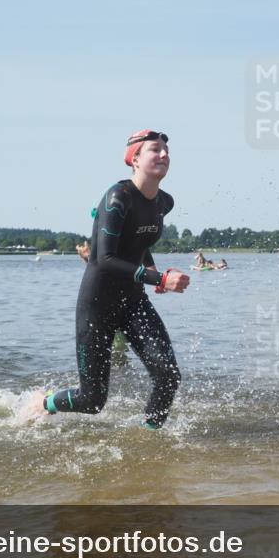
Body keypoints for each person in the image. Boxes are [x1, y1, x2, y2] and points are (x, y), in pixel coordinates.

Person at [41, 130, 189, 429]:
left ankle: (149, 436)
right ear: (135, 159)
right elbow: (104, 260)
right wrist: (158, 277)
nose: (164, 155)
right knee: (93, 401)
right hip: (97, 305)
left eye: (166, 150)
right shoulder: (117, 197)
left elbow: (140, 240)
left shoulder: (164, 202)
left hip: (133, 301)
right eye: (154, 150)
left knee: (168, 376)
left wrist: (154, 273)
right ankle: (44, 403)